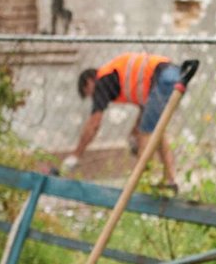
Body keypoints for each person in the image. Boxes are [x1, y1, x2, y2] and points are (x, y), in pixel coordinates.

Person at [68, 53, 182, 190]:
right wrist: (133, 131)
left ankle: (142, 183)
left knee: (145, 135)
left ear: (89, 82)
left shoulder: (102, 81)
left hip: (163, 77)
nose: (93, 97)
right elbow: (145, 108)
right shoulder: (116, 78)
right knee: (157, 132)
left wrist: (76, 155)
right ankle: (170, 181)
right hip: (175, 76)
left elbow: (94, 124)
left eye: (89, 93)